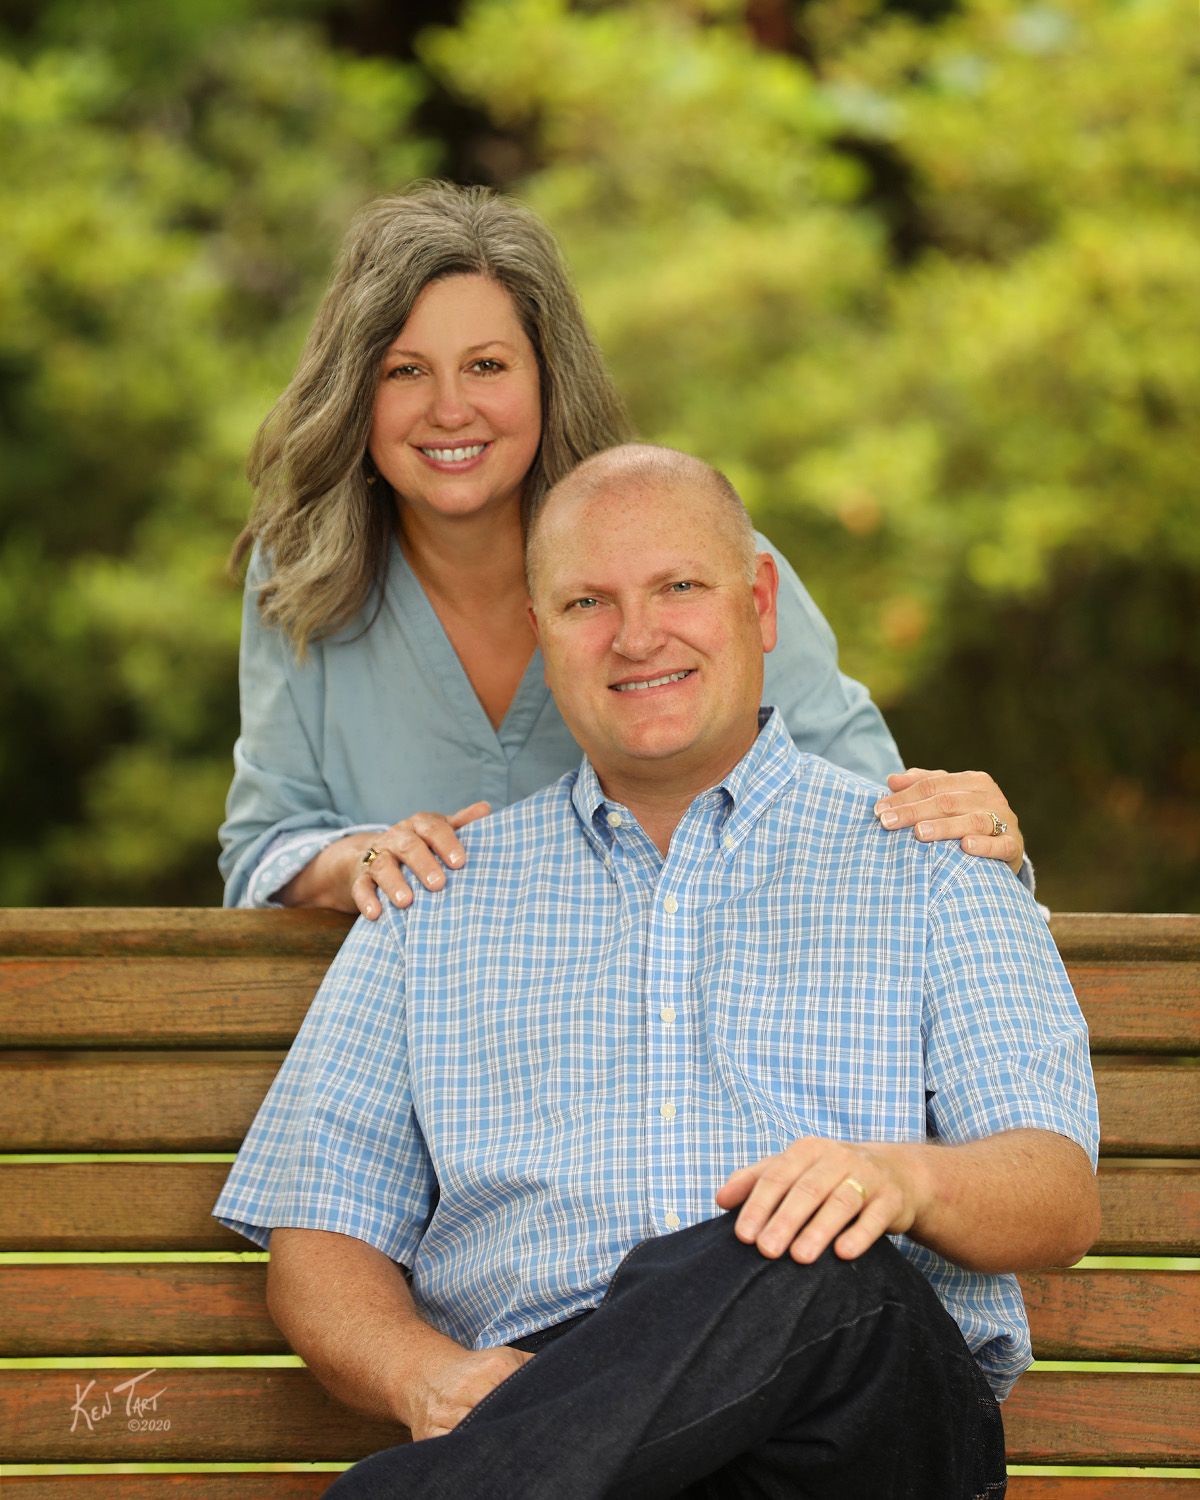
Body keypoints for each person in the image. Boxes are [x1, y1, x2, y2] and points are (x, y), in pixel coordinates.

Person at [214, 445, 1099, 1499]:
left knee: (816, 1260)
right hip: (552, 1421)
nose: (636, 637)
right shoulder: (437, 897)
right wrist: (428, 1378)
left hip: (857, 1427)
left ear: (759, 603)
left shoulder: (931, 858)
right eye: (587, 602)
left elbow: (1057, 1194)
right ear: (541, 633)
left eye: (679, 586)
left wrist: (898, 1179)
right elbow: (320, 1237)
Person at [218, 180, 1029, 919]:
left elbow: (888, 816)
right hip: (432, 1021)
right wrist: (363, 859)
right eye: (405, 372)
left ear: (548, 378)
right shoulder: (299, 579)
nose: (451, 409)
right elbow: (263, 851)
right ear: (355, 391)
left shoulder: (702, 572)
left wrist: (990, 832)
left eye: (487, 365)